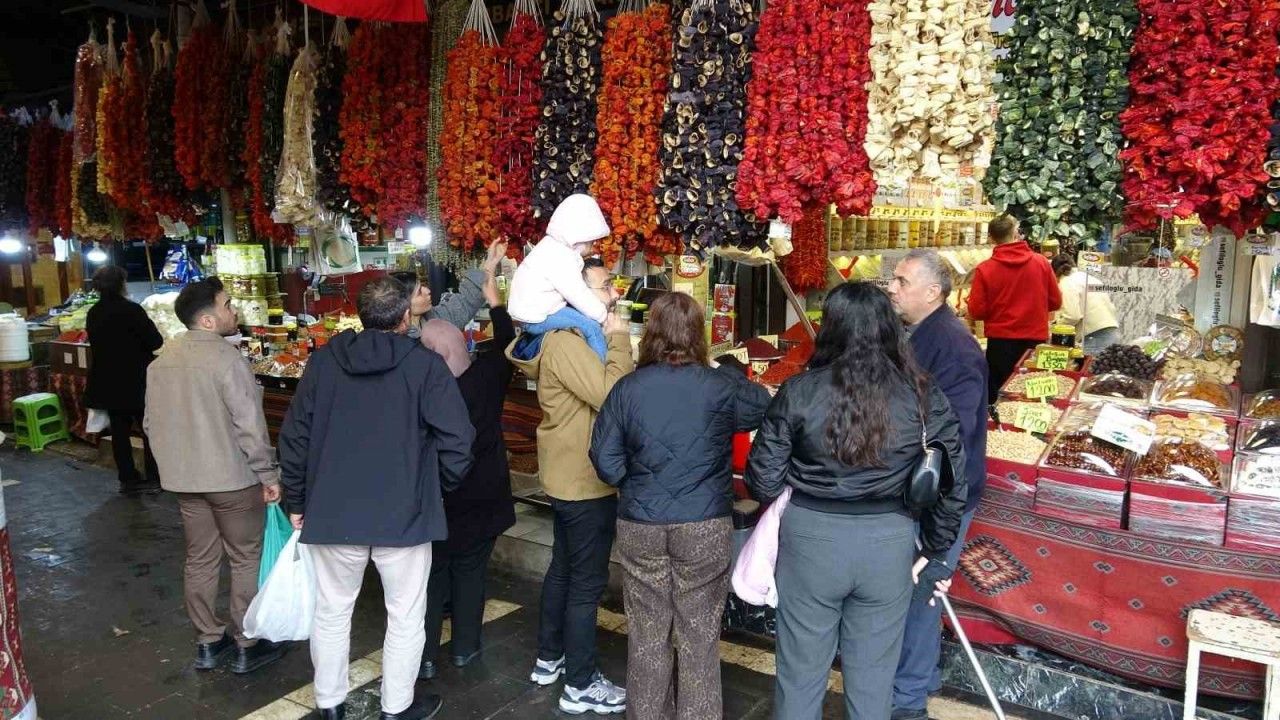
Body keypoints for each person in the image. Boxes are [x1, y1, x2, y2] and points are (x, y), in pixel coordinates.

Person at [745, 282, 968, 720]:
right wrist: (935, 550)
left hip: (811, 539)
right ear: (891, 329)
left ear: (831, 328)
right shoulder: (923, 395)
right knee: (873, 683)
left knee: (799, 676)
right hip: (888, 541)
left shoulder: (799, 391)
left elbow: (763, 481)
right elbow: (951, 480)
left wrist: (805, 472)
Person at [278, 277, 475, 720]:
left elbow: (294, 438)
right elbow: (459, 442)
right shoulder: (425, 367)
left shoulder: (325, 361)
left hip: (333, 510)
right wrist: (435, 489)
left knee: (331, 612)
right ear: (406, 316)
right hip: (404, 514)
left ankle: (330, 705)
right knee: (405, 615)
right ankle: (396, 707)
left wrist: (297, 500)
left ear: (360, 314)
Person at [589, 292, 770, 720]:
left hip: (641, 525)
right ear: (697, 335)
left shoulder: (627, 388)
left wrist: (639, 484)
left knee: (647, 635)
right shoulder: (719, 385)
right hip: (704, 524)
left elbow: (605, 462)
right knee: (699, 636)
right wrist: (720, 369)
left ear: (651, 333)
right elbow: (763, 405)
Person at [507, 257, 633, 716]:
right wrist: (620, 340)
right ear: (574, 293)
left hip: (568, 473)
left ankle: (550, 657)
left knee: (564, 569)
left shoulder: (566, 336)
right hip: (583, 480)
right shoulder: (568, 341)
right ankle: (580, 684)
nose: (614, 294)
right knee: (585, 583)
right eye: (604, 286)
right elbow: (613, 395)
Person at [144, 278, 286, 675]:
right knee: (245, 557)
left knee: (200, 558)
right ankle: (247, 641)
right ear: (207, 320)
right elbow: (250, 427)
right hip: (233, 480)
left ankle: (208, 640)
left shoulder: (161, 361)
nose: (234, 310)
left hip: (186, 482)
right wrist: (268, 473)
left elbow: (151, 424)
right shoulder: (227, 360)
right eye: (227, 305)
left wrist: (175, 466)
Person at [888, 250, 989, 720]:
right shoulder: (917, 333)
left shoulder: (954, 346)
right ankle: (920, 678)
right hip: (924, 487)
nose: (892, 288)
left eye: (902, 281)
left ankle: (907, 702)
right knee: (918, 591)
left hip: (940, 494)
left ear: (933, 292)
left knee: (920, 593)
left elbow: (955, 433)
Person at [416, 246, 517, 681]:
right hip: (482, 495)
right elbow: (508, 342)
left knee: (432, 575)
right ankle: (464, 648)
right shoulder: (485, 378)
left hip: (435, 498)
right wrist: (495, 302)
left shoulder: (417, 389)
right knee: (471, 571)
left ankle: (423, 655)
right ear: (461, 345)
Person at [84, 265, 164, 496]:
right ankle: (155, 476)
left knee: (119, 432)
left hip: (109, 381)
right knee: (148, 429)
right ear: (121, 284)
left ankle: (128, 479)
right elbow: (156, 341)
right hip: (137, 380)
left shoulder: (94, 313)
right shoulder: (132, 310)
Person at [967, 214, 1063, 404]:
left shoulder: (985, 269)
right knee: (1033, 395)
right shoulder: (1041, 263)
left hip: (1000, 345)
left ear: (991, 238)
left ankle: (1000, 423)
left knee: (1001, 398)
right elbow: (1055, 302)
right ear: (1016, 233)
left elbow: (977, 311)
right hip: (1035, 342)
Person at [507, 194, 613, 361]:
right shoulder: (560, 257)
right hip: (536, 318)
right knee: (591, 327)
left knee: (585, 320)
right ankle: (604, 368)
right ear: (580, 237)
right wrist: (602, 316)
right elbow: (577, 293)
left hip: (538, 311)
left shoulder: (552, 247)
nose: (593, 245)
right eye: (591, 241)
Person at [395, 239, 506, 337]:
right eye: (419, 292)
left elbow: (466, 302)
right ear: (403, 304)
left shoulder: (436, 319)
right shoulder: (397, 342)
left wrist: (489, 264)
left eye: (423, 286)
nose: (428, 291)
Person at [1052, 254, 1120, 356]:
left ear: (1054, 272)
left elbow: (1072, 316)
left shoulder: (1066, 283)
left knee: (1091, 366)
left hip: (1093, 336)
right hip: (1110, 329)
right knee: (1106, 365)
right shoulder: (1089, 278)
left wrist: (1055, 327)